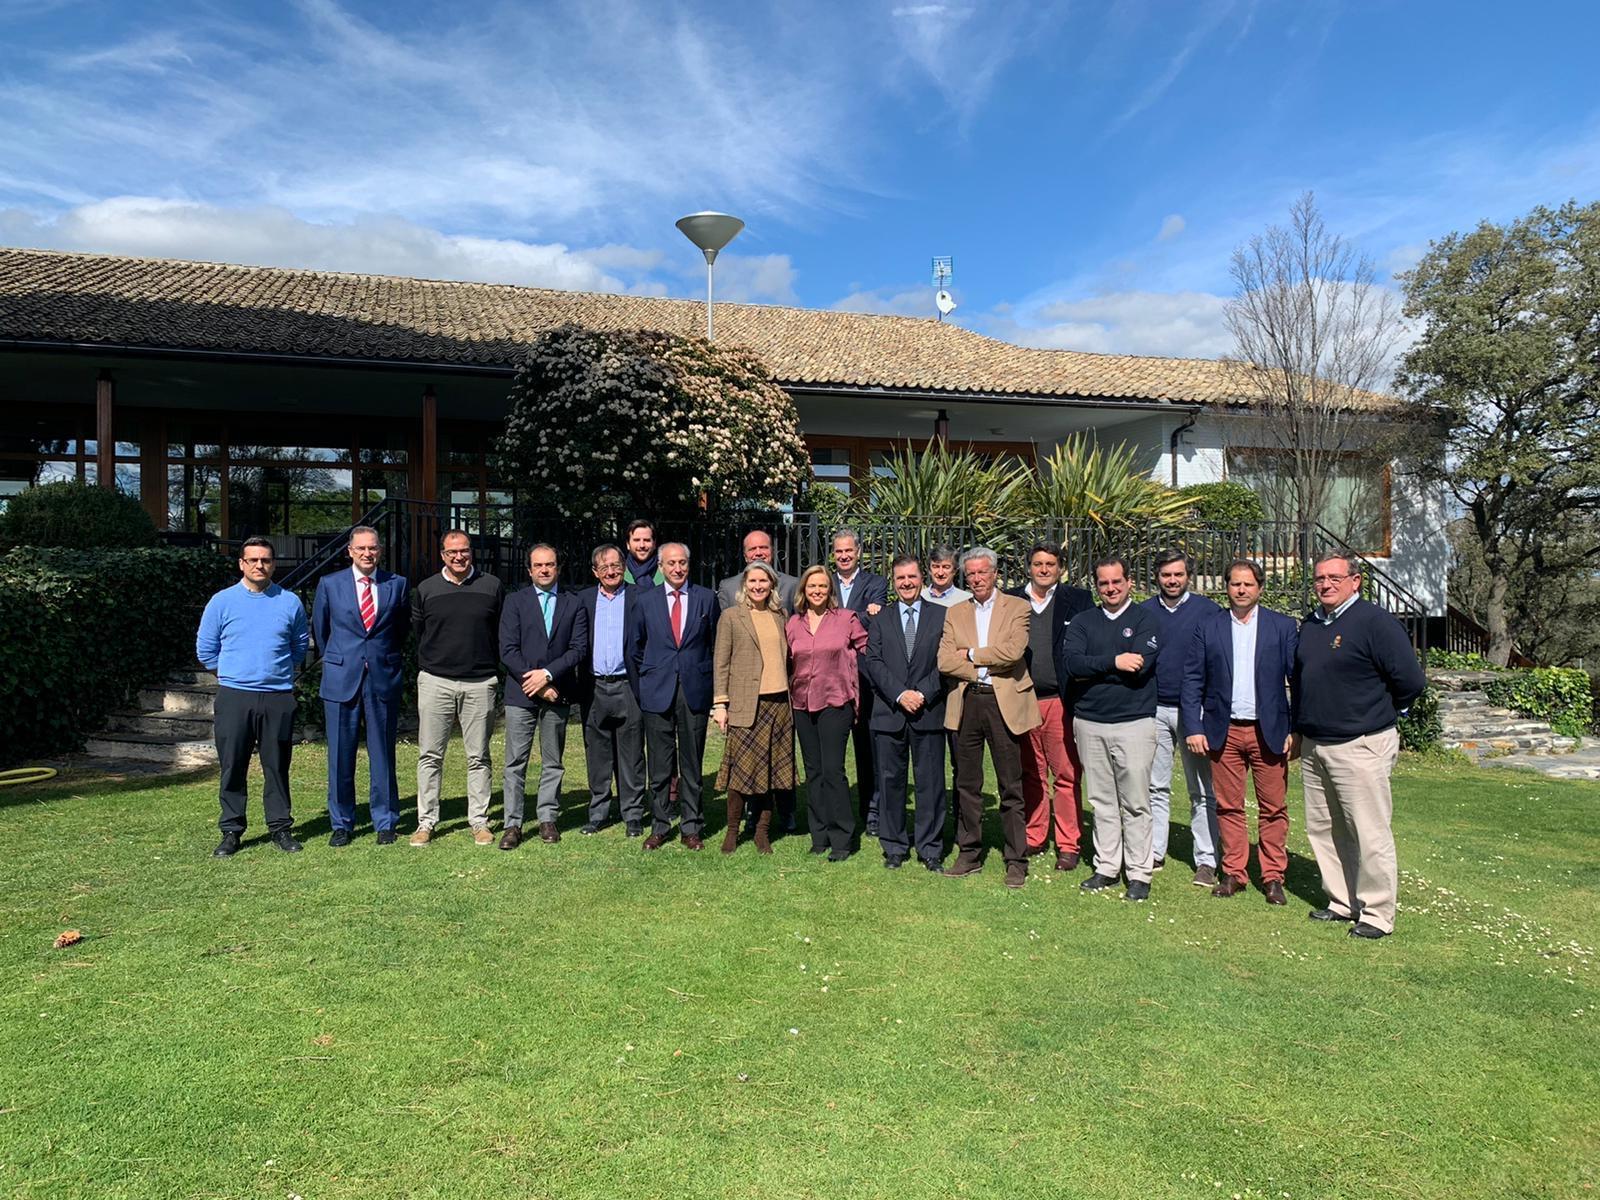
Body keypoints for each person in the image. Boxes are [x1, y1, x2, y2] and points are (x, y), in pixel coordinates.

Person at [1293, 551, 1426, 939]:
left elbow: (1411, 681)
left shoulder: (1375, 623)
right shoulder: (1312, 624)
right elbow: (1302, 682)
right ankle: (1341, 901)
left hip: (1361, 744)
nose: (1326, 584)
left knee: (1368, 832)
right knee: (1324, 829)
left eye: (1335, 577)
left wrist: (1382, 713)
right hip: (1316, 745)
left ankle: (1377, 913)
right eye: (1319, 578)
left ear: (1356, 580)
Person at [1182, 559, 1299, 904]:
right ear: (1227, 587)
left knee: (1273, 807)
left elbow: (1298, 680)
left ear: (1260, 588)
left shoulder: (1282, 627)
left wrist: (1296, 729)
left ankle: (1273, 876)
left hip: (1270, 731)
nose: (1242, 590)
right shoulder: (1210, 627)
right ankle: (1234, 872)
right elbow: (1193, 679)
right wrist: (1193, 725)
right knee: (1228, 806)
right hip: (1224, 730)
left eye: (1248, 584)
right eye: (1235, 584)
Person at [198, 536, 310, 856]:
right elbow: (206, 647)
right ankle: (232, 830)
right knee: (233, 764)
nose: (260, 565)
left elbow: (299, 646)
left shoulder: (289, 602)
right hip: (236, 695)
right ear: (242, 564)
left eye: (266, 560)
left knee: (277, 765)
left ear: (273, 564)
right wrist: (231, 674)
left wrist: (277, 673)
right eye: (253, 560)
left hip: (277, 696)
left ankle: (280, 828)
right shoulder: (222, 601)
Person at [937, 546, 1041, 888]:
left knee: (1011, 784)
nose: (977, 579)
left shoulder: (1018, 607)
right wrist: (981, 662)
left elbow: (1012, 653)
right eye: (971, 574)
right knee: (967, 784)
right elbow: (944, 661)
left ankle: (1016, 858)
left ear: (995, 573)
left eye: (982, 572)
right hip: (968, 701)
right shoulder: (955, 612)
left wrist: (968, 654)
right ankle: (969, 853)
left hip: (1003, 703)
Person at [1060, 555, 1161, 901]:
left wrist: (1096, 669)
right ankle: (1106, 866)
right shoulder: (1083, 621)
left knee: (1135, 801)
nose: (1111, 588)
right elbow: (1072, 664)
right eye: (1104, 583)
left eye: (1117, 581)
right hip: (1089, 721)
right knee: (1101, 800)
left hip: (1134, 722)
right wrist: (1114, 661)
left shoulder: (1145, 619)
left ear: (1129, 582)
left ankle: (1139, 872)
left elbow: (1141, 667)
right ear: (1097, 586)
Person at [313, 525, 408, 847]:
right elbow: (322, 632)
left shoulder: (397, 584)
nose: (368, 553)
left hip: (382, 677)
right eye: (361, 548)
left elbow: (402, 629)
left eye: (373, 548)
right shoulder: (330, 584)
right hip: (342, 678)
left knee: (382, 752)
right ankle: (342, 823)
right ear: (350, 551)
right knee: (340, 754)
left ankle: (386, 821)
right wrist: (342, 660)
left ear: (380, 550)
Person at [410, 529, 505, 847]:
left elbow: (499, 631)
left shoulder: (491, 586)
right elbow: (419, 632)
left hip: (480, 681)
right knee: (430, 755)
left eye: (464, 551)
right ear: (442, 555)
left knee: (478, 756)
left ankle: (479, 821)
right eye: (452, 553)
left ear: (471, 552)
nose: (459, 557)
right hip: (436, 680)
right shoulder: (426, 589)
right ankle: (426, 822)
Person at [1005, 540, 1094, 871]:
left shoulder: (1078, 600)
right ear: (1029, 566)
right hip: (1022, 698)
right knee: (1031, 772)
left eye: (1051, 565)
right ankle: (1034, 835)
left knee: (1067, 774)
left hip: (1060, 700)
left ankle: (1069, 843)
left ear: (1061, 568)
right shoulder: (1011, 599)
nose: (1044, 570)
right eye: (1038, 564)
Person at [499, 543, 590, 849]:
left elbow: (577, 649)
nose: (544, 570)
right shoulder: (515, 601)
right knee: (515, 762)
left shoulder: (573, 603)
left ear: (558, 568)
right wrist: (537, 682)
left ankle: (547, 818)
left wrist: (549, 675)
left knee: (553, 761)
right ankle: (512, 824)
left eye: (549, 564)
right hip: (521, 693)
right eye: (538, 565)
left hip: (557, 692)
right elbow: (507, 650)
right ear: (529, 570)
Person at [628, 542, 718, 850]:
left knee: (692, 763)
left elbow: (714, 645)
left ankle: (691, 826)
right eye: (671, 563)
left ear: (688, 565)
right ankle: (660, 824)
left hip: (694, 691)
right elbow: (634, 648)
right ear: (661, 567)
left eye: (682, 563)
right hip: (656, 691)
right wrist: (645, 684)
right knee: (660, 764)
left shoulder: (707, 599)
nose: (677, 568)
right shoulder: (645, 601)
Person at [1140, 549, 1223, 881]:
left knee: (1202, 789)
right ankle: (1155, 851)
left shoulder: (1208, 611)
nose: (1171, 580)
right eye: (1165, 575)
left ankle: (1206, 858)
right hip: (1154, 709)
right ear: (1156, 577)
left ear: (1188, 575)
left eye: (1177, 574)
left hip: (1194, 711)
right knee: (1154, 786)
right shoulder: (1143, 611)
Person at [864, 554, 948, 871]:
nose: (907, 583)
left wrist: (922, 693)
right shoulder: (881, 619)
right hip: (890, 712)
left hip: (929, 712)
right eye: (900, 578)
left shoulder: (941, 616)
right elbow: (873, 662)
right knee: (890, 783)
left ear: (921, 578)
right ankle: (895, 846)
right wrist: (900, 694)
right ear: (893, 581)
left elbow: (947, 662)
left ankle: (930, 848)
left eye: (911, 577)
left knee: (930, 784)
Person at [711, 562, 797, 854]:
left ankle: (762, 832)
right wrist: (720, 704)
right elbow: (720, 663)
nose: (758, 586)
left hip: (779, 705)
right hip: (747, 705)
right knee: (740, 774)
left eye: (764, 581)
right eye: (753, 581)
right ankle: (733, 831)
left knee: (770, 774)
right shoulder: (731, 617)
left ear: (772, 585)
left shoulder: (781, 616)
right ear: (744, 585)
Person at [787, 563, 870, 861]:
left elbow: (867, 651)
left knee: (833, 770)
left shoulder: (846, 619)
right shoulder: (793, 623)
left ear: (830, 590)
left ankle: (842, 838)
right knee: (814, 771)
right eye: (812, 586)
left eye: (823, 586)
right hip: (802, 704)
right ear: (804, 591)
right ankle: (818, 834)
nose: (818, 591)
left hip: (836, 702)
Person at [575, 543, 648, 837]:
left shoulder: (640, 597)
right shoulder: (583, 600)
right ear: (595, 572)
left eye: (616, 565)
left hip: (628, 685)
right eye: (604, 567)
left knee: (631, 753)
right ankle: (599, 812)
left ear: (625, 567)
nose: (611, 571)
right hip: (594, 686)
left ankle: (632, 813)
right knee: (597, 752)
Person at [831, 528, 888, 834]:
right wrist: (860, 614)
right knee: (834, 749)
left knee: (868, 746)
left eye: (848, 551)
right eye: (839, 551)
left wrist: (840, 618)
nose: (844, 556)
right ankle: (836, 811)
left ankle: (872, 812)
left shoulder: (876, 583)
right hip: (832, 674)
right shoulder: (825, 582)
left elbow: (873, 619)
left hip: (864, 673)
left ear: (859, 552)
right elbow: (858, 618)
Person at [717, 528, 799, 612]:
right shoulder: (728, 587)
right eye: (752, 549)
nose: (758, 553)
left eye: (763, 547)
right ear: (745, 556)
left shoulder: (792, 585)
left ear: (772, 551)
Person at [623, 518, 666, 586]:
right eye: (636, 540)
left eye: (647, 540)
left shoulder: (666, 571)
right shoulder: (620, 573)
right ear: (628, 544)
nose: (642, 545)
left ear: (654, 544)